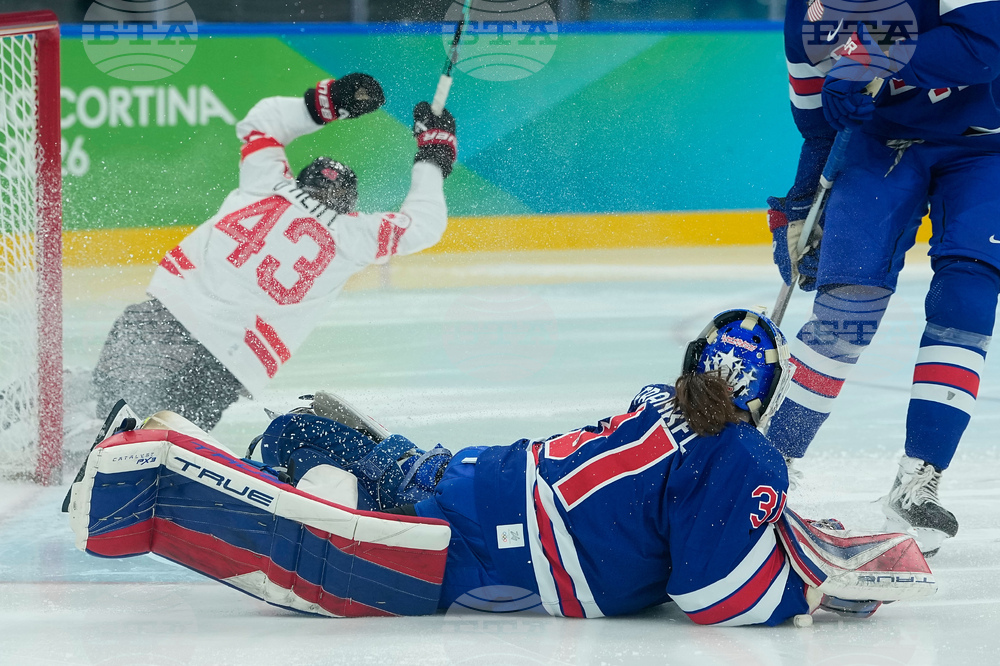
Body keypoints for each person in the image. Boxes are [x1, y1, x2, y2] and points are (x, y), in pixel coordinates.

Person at [69, 308, 936, 621]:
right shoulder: (743, 450)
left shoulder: (658, 400)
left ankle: (188, 433)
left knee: (306, 431)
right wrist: (805, 596)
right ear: (768, 395)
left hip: (461, 478)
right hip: (474, 546)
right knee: (321, 510)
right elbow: (715, 596)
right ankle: (135, 466)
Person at [92, 74, 457, 430]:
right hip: (230, 361)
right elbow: (423, 224)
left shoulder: (267, 182)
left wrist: (329, 102)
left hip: (167, 315)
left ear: (300, 181)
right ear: (349, 204)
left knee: (105, 417)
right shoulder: (352, 235)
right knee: (158, 440)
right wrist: (433, 153)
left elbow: (262, 121)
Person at [768, 1, 1000, 555]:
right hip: (880, 146)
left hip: (986, 145)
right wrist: (801, 204)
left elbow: (984, 45)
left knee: (967, 298)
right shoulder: (807, 19)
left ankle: (920, 478)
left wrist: (864, 58)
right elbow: (818, 130)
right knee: (846, 307)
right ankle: (767, 465)